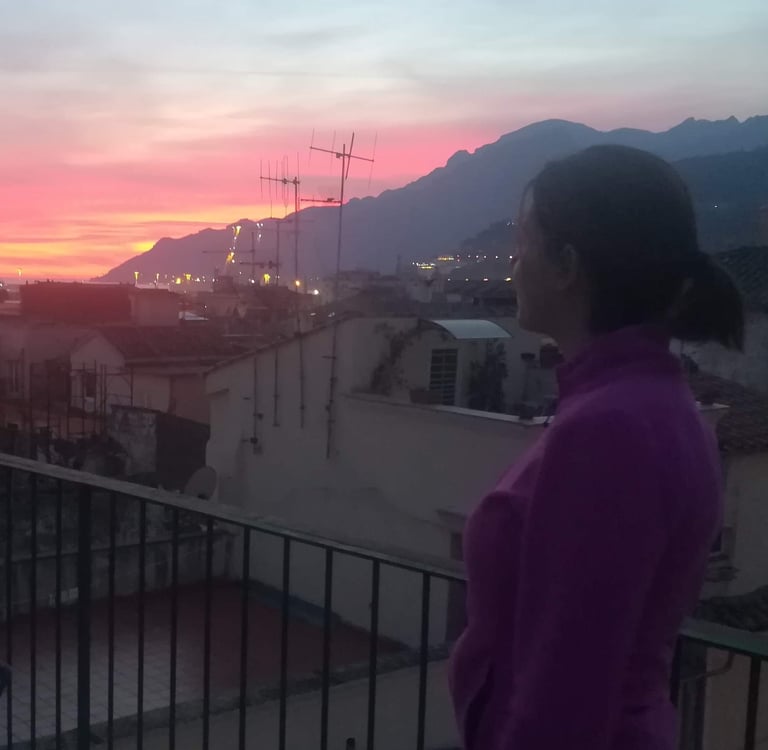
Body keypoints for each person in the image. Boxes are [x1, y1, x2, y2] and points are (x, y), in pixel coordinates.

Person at [449, 145, 744, 750]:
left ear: (566, 264)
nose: (513, 268)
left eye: (522, 245)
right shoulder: (646, 404)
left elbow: (565, 695)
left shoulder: (610, 429)